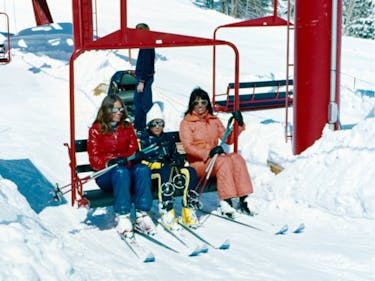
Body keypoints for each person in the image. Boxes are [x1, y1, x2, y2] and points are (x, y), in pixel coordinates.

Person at [179, 87, 254, 217]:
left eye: (203, 102)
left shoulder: (213, 120)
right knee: (222, 161)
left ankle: (244, 198)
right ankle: (226, 201)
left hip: (214, 160)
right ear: (191, 104)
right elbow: (188, 147)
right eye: (196, 103)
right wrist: (209, 152)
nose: (200, 106)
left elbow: (228, 139)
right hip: (198, 164)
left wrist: (239, 124)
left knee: (236, 158)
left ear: (208, 103)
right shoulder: (186, 123)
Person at [87, 95, 156, 237]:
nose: (119, 112)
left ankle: (141, 214)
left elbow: (132, 150)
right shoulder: (96, 130)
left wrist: (133, 157)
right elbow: (94, 158)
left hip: (126, 168)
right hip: (107, 175)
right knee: (120, 172)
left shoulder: (127, 126)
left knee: (143, 169)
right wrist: (111, 161)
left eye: (121, 109)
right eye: (115, 109)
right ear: (106, 109)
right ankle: (123, 216)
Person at [138, 103, 200, 229]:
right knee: (164, 170)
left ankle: (188, 208)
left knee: (191, 172)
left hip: (171, 169)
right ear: (149, 124)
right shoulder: (144, 139)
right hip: (154, 171)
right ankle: (167, 209)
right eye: (154, 123)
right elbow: (142, 160)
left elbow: (175, 153)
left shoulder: (168, 138)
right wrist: (157, 163)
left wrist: (178, 159)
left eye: (160, 123)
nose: (157, 127)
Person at [133, 23, 156, 132]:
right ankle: (141, 126)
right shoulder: (146, 43)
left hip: (144, 78)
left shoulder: (147, 45)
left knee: (141, 104)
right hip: (144, 76)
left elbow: (146, 64)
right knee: (141, 103)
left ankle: (141, 127)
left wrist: (142, 80)